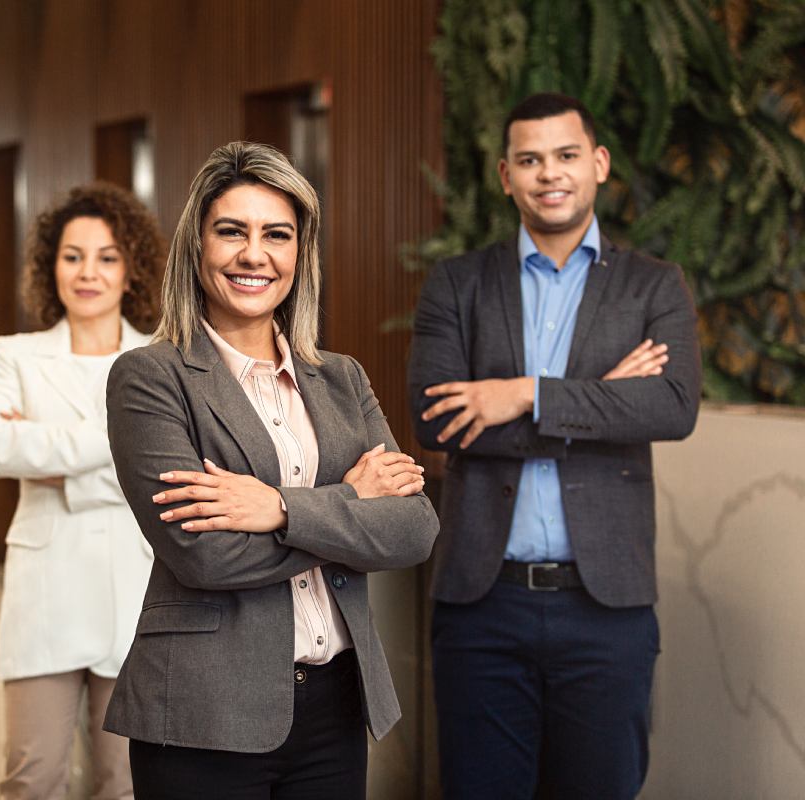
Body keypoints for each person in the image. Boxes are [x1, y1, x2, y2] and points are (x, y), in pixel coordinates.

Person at [103, 141, 440, 799]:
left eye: (276, 235)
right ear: (197, 247)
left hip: (335, 705)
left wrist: (278, 508)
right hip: (204, 714)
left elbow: (413, 530)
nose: (253, 254)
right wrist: (347, 500)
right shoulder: (150, 377)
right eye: (231, 231)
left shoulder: (341, 377)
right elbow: (205, 556)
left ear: (298, 255)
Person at [408, 93, 701, 799]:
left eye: (566, 155)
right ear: (505, 175)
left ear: (597, 164)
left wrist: (523, 394)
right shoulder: (458, 283)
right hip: (483, 602)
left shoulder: (653, 287)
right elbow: (437, 421)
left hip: (606, 608)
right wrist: (602, 399)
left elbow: (670, 406)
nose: (550, 173)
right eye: (530, 159)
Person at [0, 182, 164, 800]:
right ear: (50, 265)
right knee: (33, 780)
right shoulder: (18, 354)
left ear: (130, 269)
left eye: (107, 257)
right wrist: (119, 447)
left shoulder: (162, 360)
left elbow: (169, 469)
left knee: (126, 784)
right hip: (45, 597)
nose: (88, 273)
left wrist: (50, 454)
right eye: (73, 256)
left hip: (136, 592)